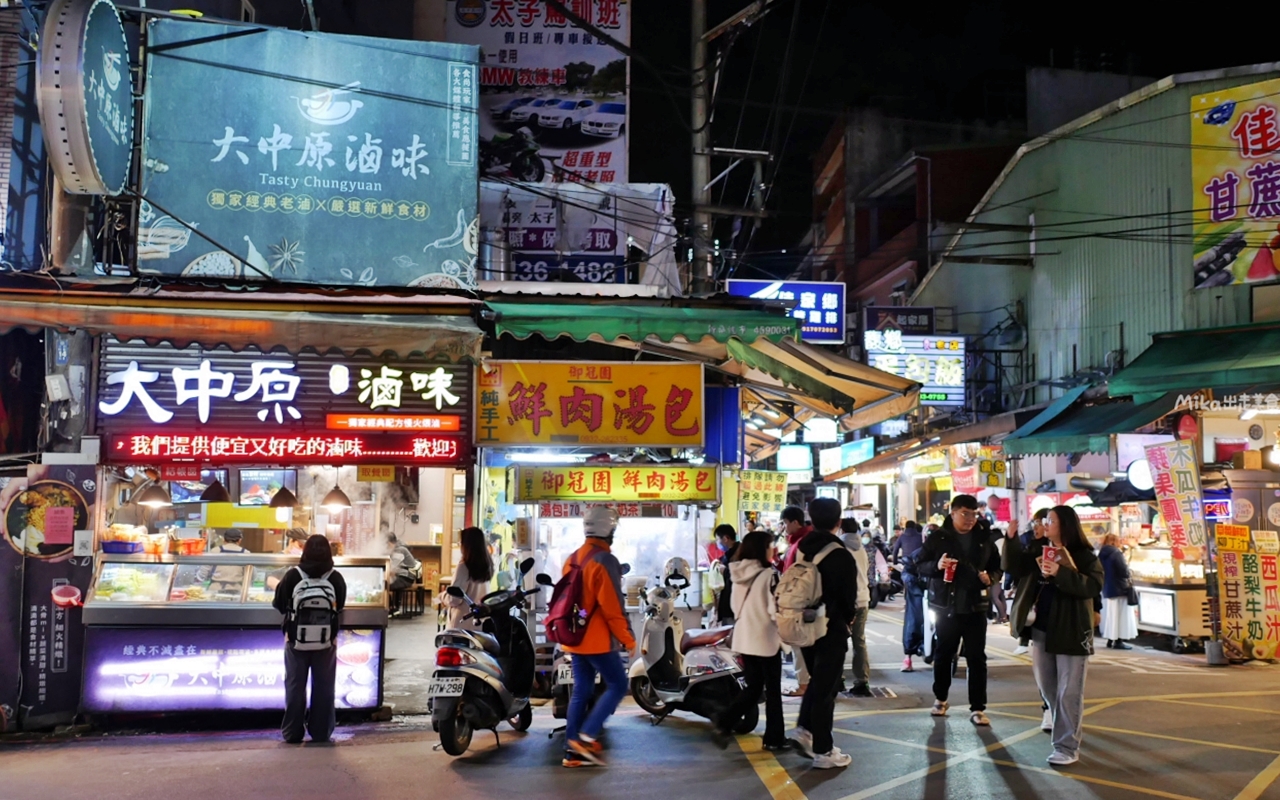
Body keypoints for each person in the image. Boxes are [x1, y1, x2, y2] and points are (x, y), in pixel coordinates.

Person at [1004, 505, 1104, 767]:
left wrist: (1060, 573)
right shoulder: (1039, 549)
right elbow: (1013, 568)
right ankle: (1064, 731)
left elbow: (1093, 586)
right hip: (1042, 629)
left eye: (1051, 520)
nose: (1045, 524)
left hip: (1071, 630)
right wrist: (1012, 540)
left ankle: (1067, 746)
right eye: (1044, 520)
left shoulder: (1085, 556)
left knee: (1069, 692)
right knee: (1049, 688)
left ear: (1066, 525)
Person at [916, 494, 1003, 726]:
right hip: (946, 605)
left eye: (974, 514)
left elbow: (997, 567)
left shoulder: (984, 538)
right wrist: (936, 566)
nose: (970, 519)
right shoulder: (939, 538)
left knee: (976, 657)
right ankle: (941, 698)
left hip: (976, 605)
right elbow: (918, 564)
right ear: (952, 513)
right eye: (965, 513)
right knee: (944, 654)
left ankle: (977, 708)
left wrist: (990, 577)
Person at [788, 498, 859, 770]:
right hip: (830, 627)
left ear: (811, 520)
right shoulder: (840, 554)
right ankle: (824, 751)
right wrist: (847, 620)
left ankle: (804, 730)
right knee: (826, 689)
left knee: (817, 682)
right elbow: (848, 597)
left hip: (803, 625)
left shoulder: (799, 549)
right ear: (838, 522)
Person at [562, 506, 635, 769]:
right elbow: (612, 607)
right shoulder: (604, 560)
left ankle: (571, 752)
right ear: (609, 530)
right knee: (617, 684)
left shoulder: (573, 557)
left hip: (574, 636)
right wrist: (627, 638)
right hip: (597, 640)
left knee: (581, 690)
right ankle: (587, 735)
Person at [713, 530, 786, 750]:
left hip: (745, 637)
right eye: (769, 545)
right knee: (772, 691)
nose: (772, 549)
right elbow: (776, 610)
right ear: (762, 549)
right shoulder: (769, 575)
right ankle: (774, 739)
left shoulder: (737, 573)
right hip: (765, 638)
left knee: (754, 687)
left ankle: (725, 721)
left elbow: (735, 607)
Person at [272, 535, 346, 744]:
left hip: (295, 640)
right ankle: (321, 731)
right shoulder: (335, 577)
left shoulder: (293, 575)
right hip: (326, 642)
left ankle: (292, 732)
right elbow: (339, 607)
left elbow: (278, 604)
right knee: (324, 686)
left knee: (295, 686)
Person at [778, 506, 813, 697]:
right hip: (797, 599)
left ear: (795, 522)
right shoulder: (797, 542)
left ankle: (804, 683)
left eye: (785, 523)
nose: (784, 528)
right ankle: (805, 682)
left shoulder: (801, 544)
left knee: (799, 643)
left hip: (798, 601)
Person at [838, 518, 872, 697]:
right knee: (859, 642)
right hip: (863, 599)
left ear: (841, 528)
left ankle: (838, 679)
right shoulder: (862, 549)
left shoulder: (839, 548)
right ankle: (862, 681)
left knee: (839, 641)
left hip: (846, 602)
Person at [1011, 508, 1050, 655]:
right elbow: (1017, 567)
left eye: (1039, 522)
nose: (1035, 526)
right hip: (1034, 592)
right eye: (1035, 522)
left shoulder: (1062, 548)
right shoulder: (1031, 543)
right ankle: (1024, 640)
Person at [893, 520, 926, 672]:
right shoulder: (917, 550)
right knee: (913, 616)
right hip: (914, 582)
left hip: (935, 594)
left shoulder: (904, 537)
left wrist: (895, 563)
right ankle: (908, 657)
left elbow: (895, 551)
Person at [445, 527, 493, 630]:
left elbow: (454, 599)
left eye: (461, 542)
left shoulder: (464, 566)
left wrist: (443, 597)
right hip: (480, 622)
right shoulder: (488, 564)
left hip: (462, 623)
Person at [1098, 533, 1138, 650]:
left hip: (1107, 588)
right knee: (1121, 615)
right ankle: (1118, 641)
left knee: (1112, 615)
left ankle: (1111, 639)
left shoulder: (1102, 553)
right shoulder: (1116, 553)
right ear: (1115, 541)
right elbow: (1124, 571)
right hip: (1120, 587)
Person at [198, 529, 251, 596]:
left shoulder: (215, 551)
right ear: (239, 540)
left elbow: (203, 572)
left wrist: (199, 582)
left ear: (224, 540)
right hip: (236, 590)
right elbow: (251, 575)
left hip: (215, 589)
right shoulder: (246, 553)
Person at [713, 524, 740, 624]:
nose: (717, 543)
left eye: (717, 539)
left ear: (725, 538)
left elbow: (740, 576)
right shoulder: (729, 554)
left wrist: (726, 571)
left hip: (734, 606)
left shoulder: (740, 553)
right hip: (727, 605)